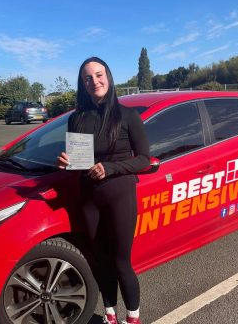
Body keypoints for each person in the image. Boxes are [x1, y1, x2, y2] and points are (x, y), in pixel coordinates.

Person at [58, 57, 150, 324]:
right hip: (89, 198)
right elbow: (78, 163)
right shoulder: (76, 118)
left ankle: (132, 318)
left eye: (99, 75)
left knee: (121, 262)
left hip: (119, 194)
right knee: (101, 261)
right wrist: (65, 163)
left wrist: (110, 168)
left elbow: (144, 158)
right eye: (88, 78)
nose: (94, 81)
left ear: (108, 78)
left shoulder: (128, 116)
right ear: (82, 84)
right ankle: (110, 314)